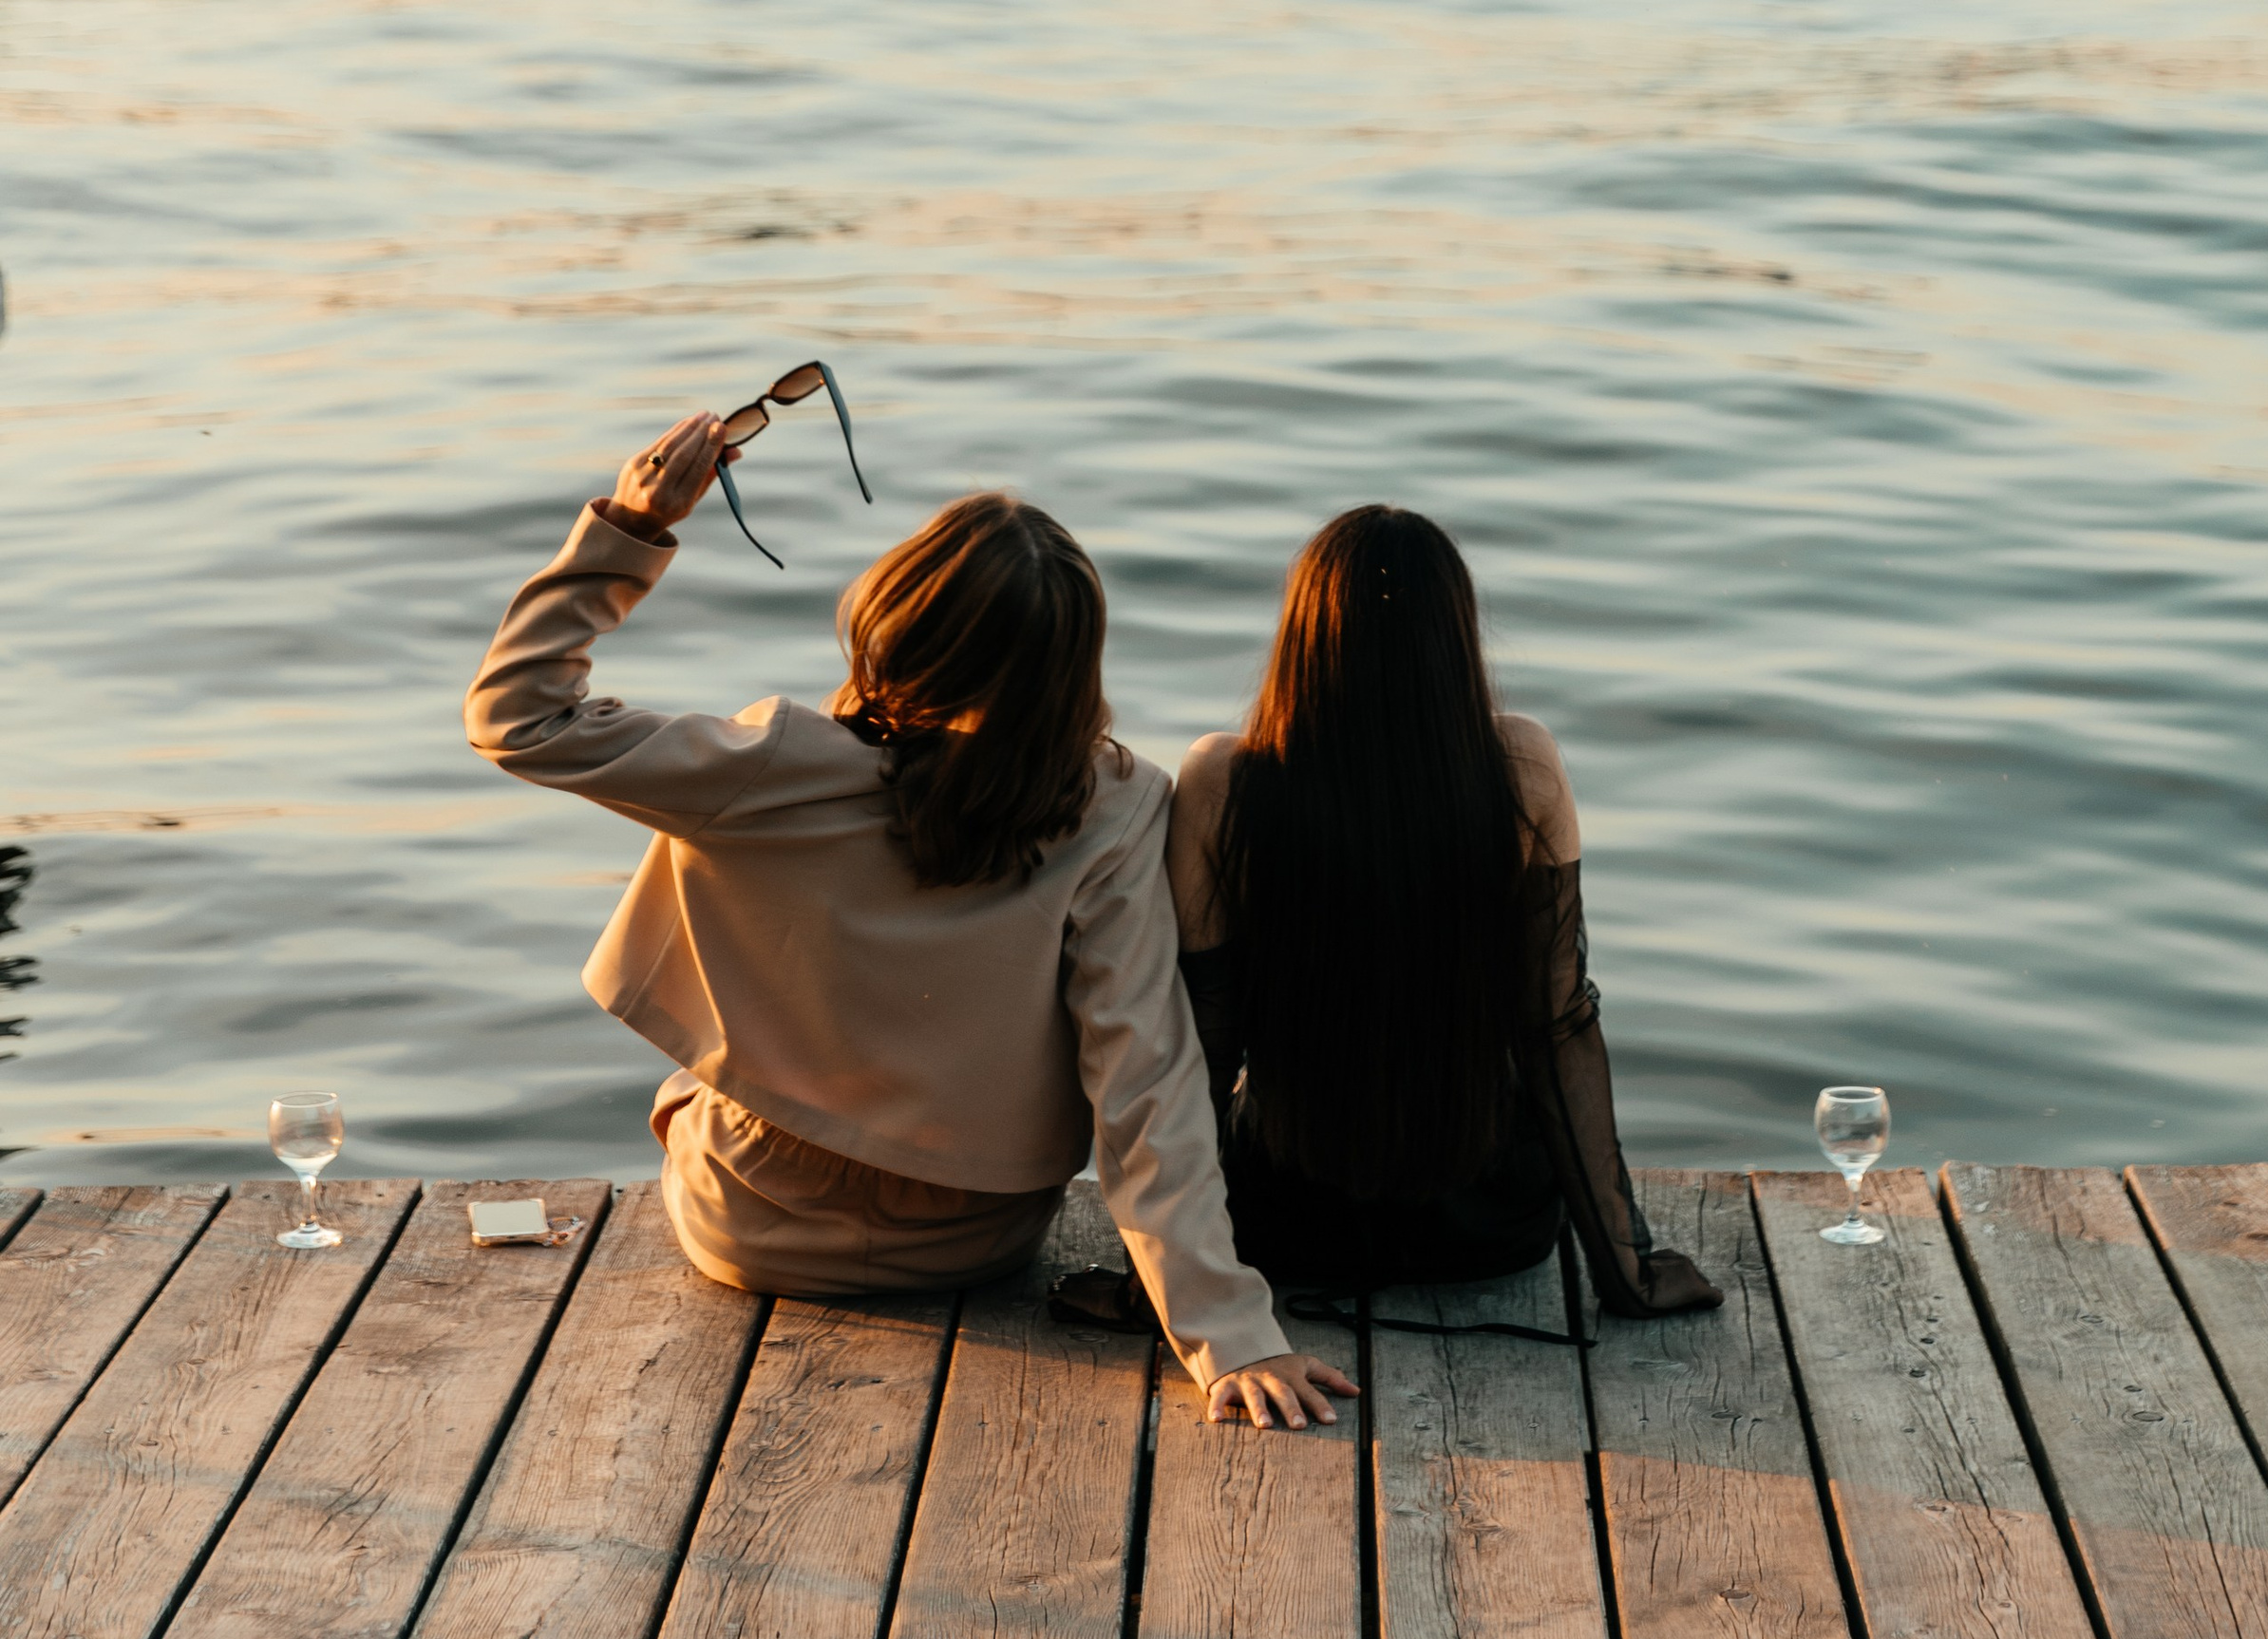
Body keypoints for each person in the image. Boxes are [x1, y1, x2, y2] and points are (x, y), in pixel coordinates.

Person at [465, 413, 1355, 1428]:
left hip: (752, 1223)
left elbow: (518, 718)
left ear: (897, 621)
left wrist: (632, 526)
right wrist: (1229, 1333)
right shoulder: (1115, 804)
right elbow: (1143, 1078)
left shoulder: (776, 764)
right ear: (1074, 663)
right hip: (973, 1240)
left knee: (695, 1076)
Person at [1158, 502, 1718, 1317]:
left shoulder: (1224, 780)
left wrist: (1165, 1278)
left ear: (1304, 634)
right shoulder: (1521, 766)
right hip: (1486, 1225)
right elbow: (1557, 1026)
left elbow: (1200, 1046)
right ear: (1453, 636)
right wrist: (1626, 1270)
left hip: (1281, 1220)